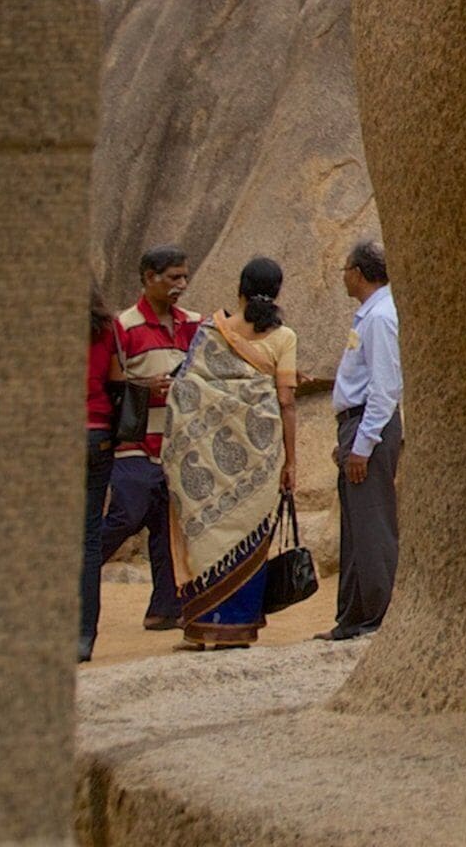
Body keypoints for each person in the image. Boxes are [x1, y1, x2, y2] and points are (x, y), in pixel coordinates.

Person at [159, 257, 297, 648]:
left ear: (239, 287)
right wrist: (291, 460)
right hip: (260, 460)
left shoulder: (209, 332)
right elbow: (285, 403)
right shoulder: (284, 338)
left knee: (209, 534)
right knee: (248, 534)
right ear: (278, 292)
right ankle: (237, 626)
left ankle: (203, 627)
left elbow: (185, 391)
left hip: (205, 456)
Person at [83, 245, 198, 660]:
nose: (180, 286)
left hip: (178, 444)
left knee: (167, 526)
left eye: (184, 277)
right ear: (148, 277)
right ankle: (76, 575)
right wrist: (145, 389)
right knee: (126, 513)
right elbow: (113, 382)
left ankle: (165, 609)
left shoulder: (194, 325)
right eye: (172, 278)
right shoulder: (123, 326)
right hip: (134, 442)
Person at [326, 240, 401, 639]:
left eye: (345, 268)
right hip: (357, 426)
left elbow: (385, 388)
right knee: (357, 524)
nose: (343, 276)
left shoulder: (380, 318)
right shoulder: (369, 315)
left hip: (370, 426)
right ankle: (353, 615)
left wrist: (363, 443)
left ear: (358, 272)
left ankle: (379, 615)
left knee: (372, 522)